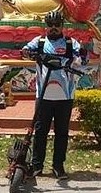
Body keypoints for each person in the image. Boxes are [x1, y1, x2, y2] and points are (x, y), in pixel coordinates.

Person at [21, 10, 85, 180]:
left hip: (65, 96)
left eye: (57, 25)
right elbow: (26, 50)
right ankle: (36, 166)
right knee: (40, 131)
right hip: (43, 95)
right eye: (51, 25)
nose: (54, 28)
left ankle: (58, 166)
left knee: (62, 132)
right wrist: (27, 52)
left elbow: (82, 58)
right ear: (46, 26)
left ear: (63, 26)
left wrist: (79, 58)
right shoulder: (40, 42)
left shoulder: (71, 43)